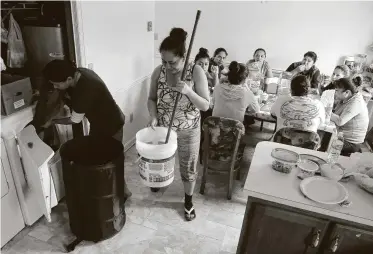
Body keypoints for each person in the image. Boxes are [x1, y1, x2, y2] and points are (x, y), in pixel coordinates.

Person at [42, 59, 132, 198]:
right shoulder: (81, 72)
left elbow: (75, 120)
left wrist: (53, 121)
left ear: (69, 79)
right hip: (100, 122)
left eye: (56, 84)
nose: (55, 87)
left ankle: (120, 194)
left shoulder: (85, 89)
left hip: (111, 124)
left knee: (110, 163)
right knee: (100, 159)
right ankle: (109, 191)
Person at [147, 28, 210, 221]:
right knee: (159, 161)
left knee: (188, 167)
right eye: (164, 61)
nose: (167, 65)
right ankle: (159, 181)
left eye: (172, 62)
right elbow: (151, 99)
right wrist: (154, 116)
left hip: (188, 130)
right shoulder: (159, 72)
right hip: (164, 129)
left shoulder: (196, 71)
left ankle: (188, 201)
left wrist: (189, 92)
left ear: (183, 56)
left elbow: (206, 105)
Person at [331, 77, 369, 156]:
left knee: (322, 141)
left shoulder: (356, 102)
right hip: (342, 136)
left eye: (337, 91)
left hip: (351, 143)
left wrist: (326, 112)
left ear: (347, 92)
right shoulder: (347, 98)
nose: (335, 93)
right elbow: (335, 112)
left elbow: (340, 121)